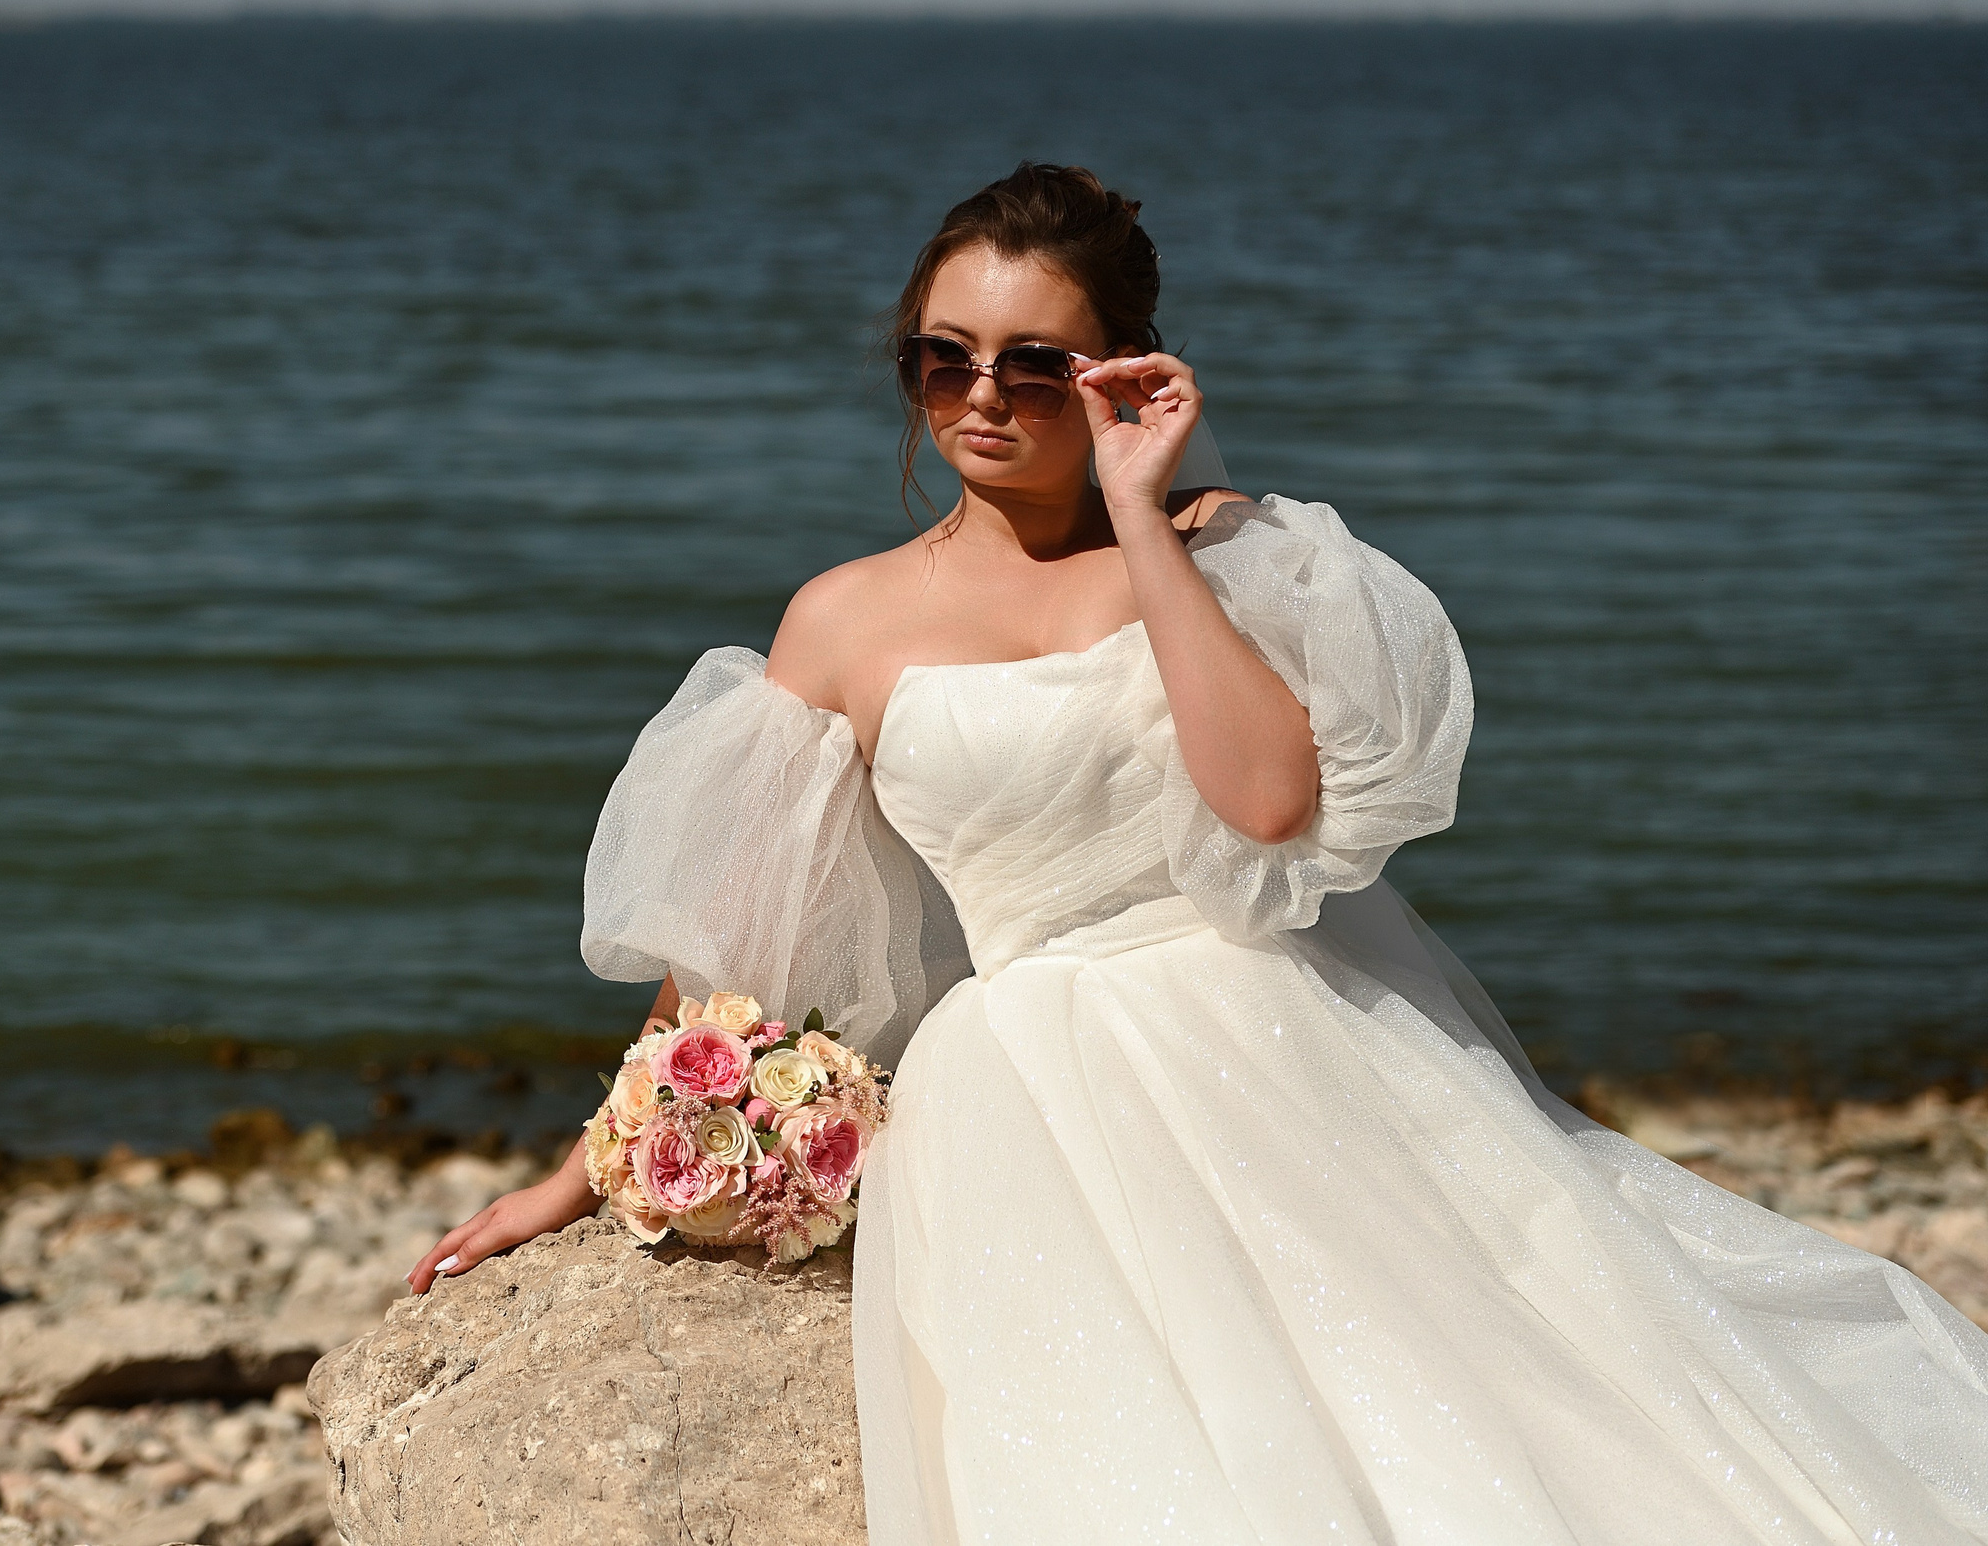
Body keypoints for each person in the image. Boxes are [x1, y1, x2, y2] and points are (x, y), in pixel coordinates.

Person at [410, 163, 1988, 1541]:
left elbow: (1269, 807)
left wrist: (1146, 516)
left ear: (1118, 374)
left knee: (1513, 1409)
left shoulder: (1233, 545)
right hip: (1025, 1085)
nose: (977, 396)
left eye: (1034, 366)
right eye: (938, 357)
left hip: (1282, 1023)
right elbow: (729, 966)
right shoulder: (843, 619)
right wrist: (581, 1177)